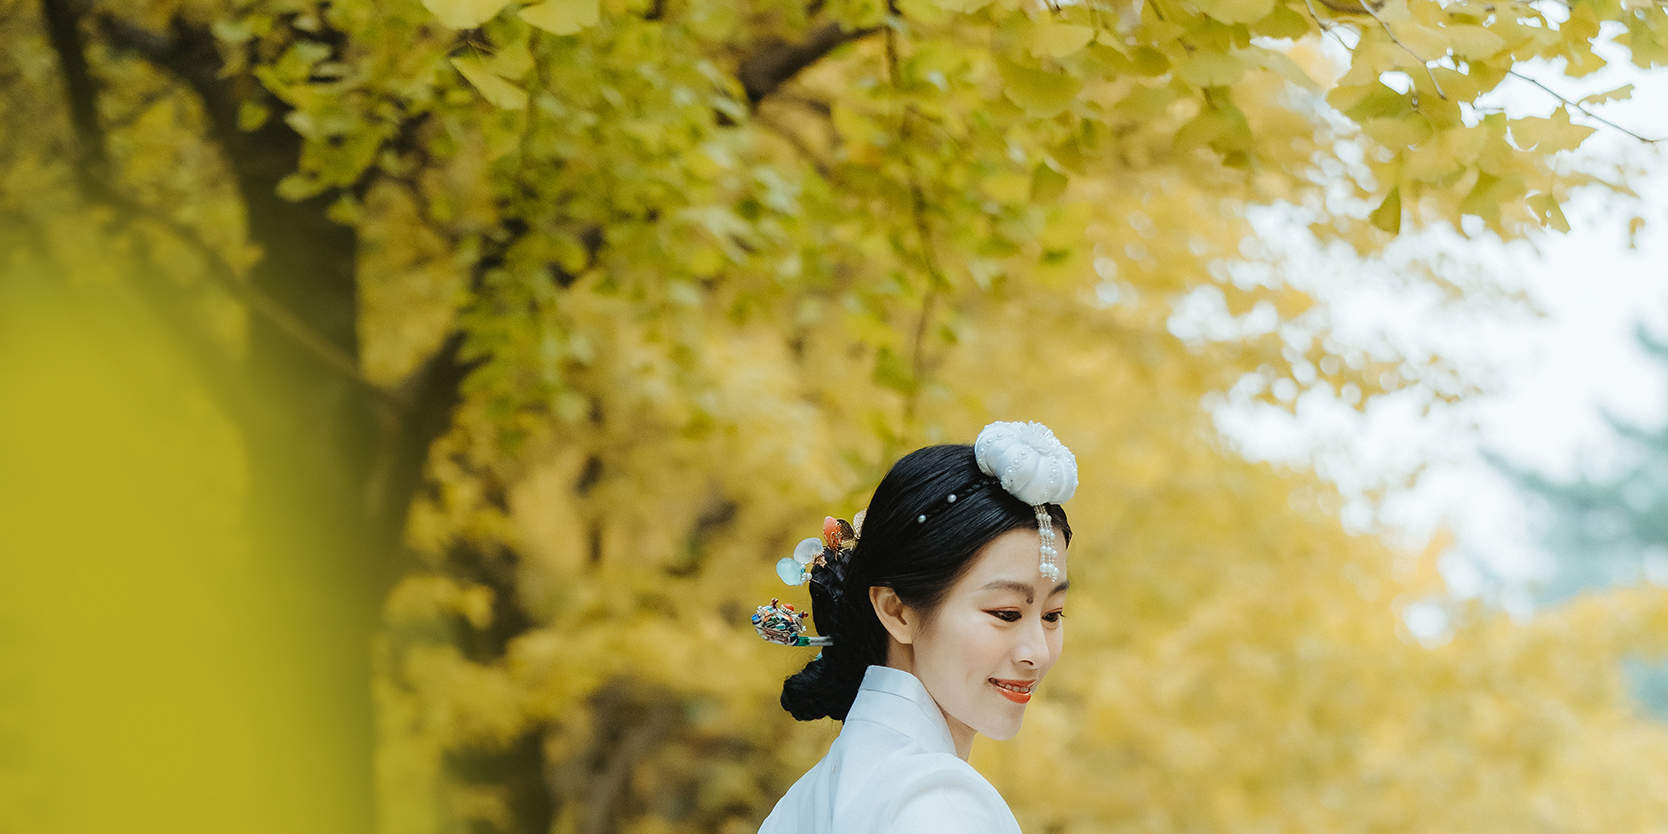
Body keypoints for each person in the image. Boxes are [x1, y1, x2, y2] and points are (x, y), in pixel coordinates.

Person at [753, 421, 1077, 833]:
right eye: (1006, 614)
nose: (1037, 653)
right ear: (897, 611)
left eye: (1052, 615)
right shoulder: (939, 803)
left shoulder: (811, 794)